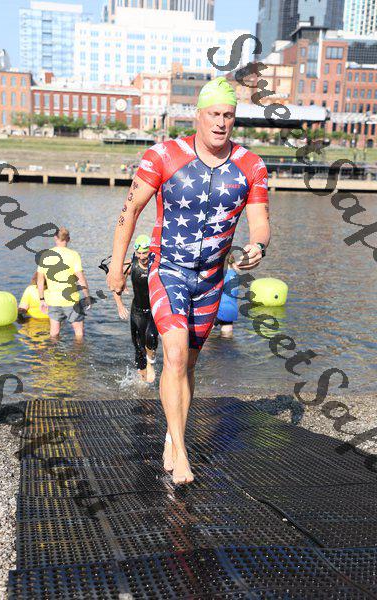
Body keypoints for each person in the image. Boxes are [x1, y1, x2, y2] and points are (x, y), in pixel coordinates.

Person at [107, 77, 270, 484]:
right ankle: (181, 452)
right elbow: (130, 210)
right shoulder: (163, 155)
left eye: (228, 115)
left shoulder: (251, 166)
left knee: (189, 364)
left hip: (212, 278)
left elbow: (261, 222)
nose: (220, 123)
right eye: (213, 114)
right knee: (175, 356)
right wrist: (116, 265)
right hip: (168, 270)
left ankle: (172, 431)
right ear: (198, 115)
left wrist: (258, 247)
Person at [112, 234, 159, 383]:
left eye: (145, 253)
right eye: (138, 253)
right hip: (137, 312)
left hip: (153, 311)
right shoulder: (131, 266)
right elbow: (115, 285)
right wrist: (120, 305)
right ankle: (143, 382)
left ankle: (151, 364)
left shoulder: (157, 265)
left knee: (151, 337)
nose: (141, 256)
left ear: (151, 251)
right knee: (139, 348)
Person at [37, 226, 91, 340]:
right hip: (71, 300)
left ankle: (52, 350)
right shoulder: (73, 255)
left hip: (53, 300)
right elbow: (81, 278)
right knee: (79, 334)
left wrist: (41, 299)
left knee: (54, 333)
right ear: (68, 239)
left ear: (55, 238)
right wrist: (87, 296)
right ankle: (79, 351)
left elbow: (40, 280)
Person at [213, 254, 240, 338]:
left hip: (220, 310)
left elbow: (214, 291)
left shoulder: (223, 275)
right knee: (227, 338)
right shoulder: (235, 275)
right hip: (232, 310)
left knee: (203, 337)